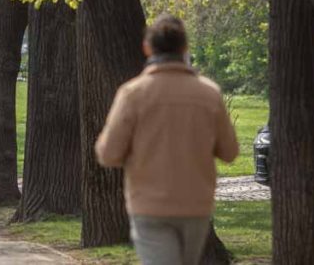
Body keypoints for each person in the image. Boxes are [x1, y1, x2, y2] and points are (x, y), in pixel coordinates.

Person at [96, 15, 239, 265]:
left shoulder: (133, 94)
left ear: (147, 47)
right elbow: (229, 151)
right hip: (196, 205)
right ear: (185, 48)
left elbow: (108, 154)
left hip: (149, 206)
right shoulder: (208, 93)